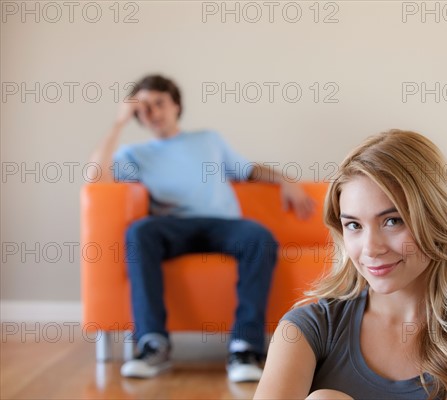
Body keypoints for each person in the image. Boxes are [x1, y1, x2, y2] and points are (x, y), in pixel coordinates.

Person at [254, 130, 447, 399]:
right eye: (354, 225)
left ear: (437, 218)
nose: (371, 248)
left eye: (392, 221)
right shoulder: (305, 330)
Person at [89, 74, 315, 382]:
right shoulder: (134, 154)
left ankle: (245, 348)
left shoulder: (208, 139)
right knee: (140, 232)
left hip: (223, 225)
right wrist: (118, 123)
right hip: (172, 227)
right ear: (136, 114)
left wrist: (286, 181)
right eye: (144, 107)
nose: (153, 112)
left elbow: (248, 170)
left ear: (176, 106)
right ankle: (152, 343)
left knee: (258, 236)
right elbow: (95, 178)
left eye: (159, 103)